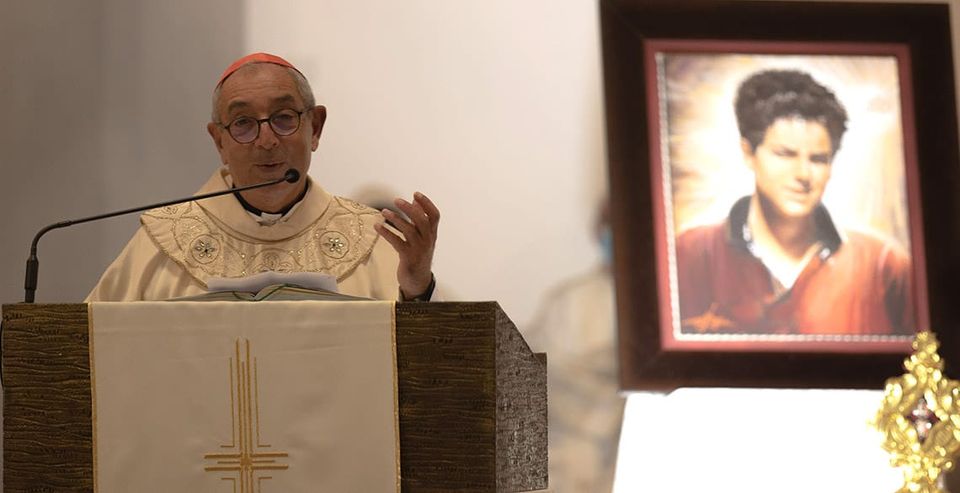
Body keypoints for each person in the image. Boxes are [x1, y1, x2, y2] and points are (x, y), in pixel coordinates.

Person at [86, 53, 439, 302]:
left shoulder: (371, 242)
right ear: (219, 141)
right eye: (243, 124)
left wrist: (416, 289)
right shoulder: (161, 245)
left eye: (284, 118)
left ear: (314, 128)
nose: (266, 140)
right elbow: (90, 351)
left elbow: (423, 374)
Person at [675, 69, 913, 335]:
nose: (803, 175)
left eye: (818, 159)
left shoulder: (883, 267)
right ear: (748, 153)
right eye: (785, 154)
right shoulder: (691, 254)